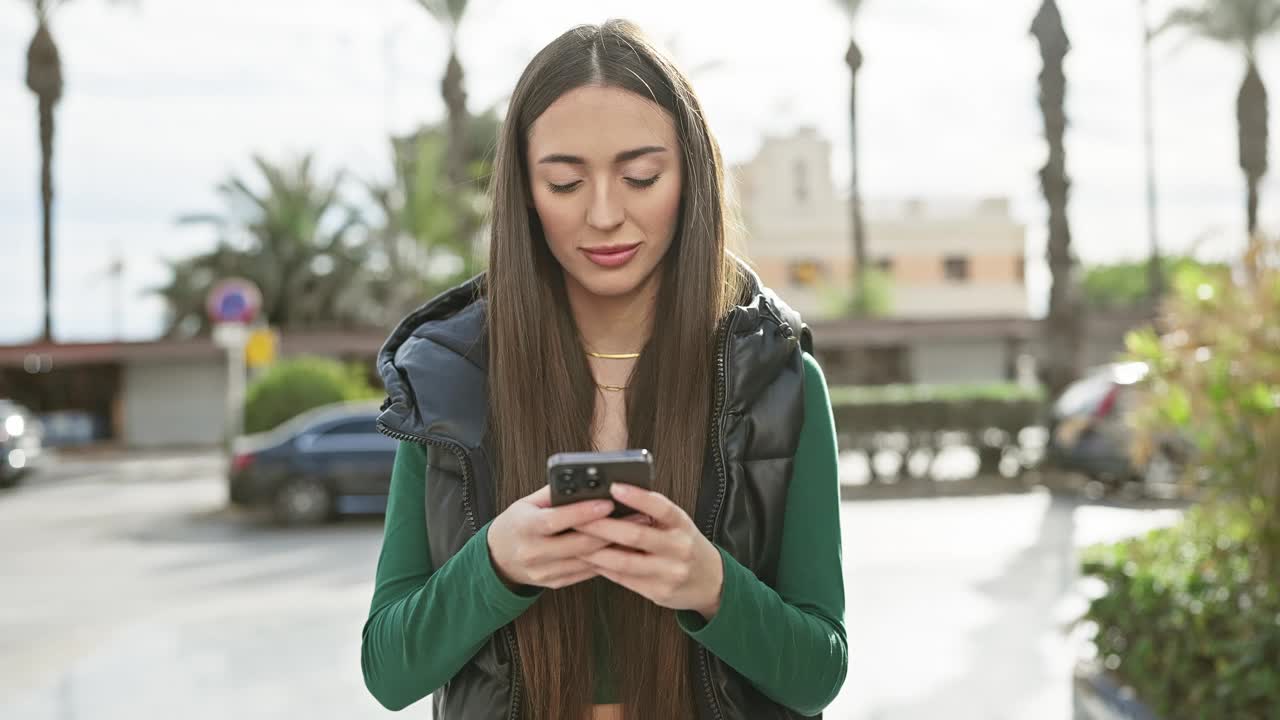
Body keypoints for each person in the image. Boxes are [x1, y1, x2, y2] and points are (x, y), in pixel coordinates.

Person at [361, 19, 847, 720]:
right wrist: (493, 563)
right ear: (524, 192)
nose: (605, 214)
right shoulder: (448, 379)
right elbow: (388, 671)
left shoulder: (779, 381)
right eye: (564, 182)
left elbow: (818, 674)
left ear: (692, 179)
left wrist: (712, 585)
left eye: (641, 176)